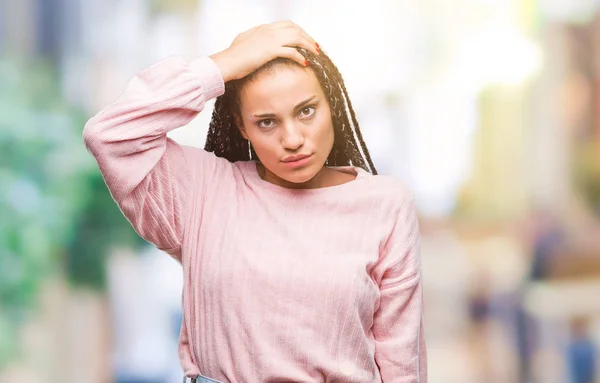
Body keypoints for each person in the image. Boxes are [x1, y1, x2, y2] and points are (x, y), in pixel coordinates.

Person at [83, 20, 426, 383]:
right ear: (242, 126)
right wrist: (222, 65)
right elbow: (109, 135)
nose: (292, 138)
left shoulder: (385, 204)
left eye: (307, 110)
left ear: (333, 106)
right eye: (266, 122)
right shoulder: (201, 188)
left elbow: (400, 359)